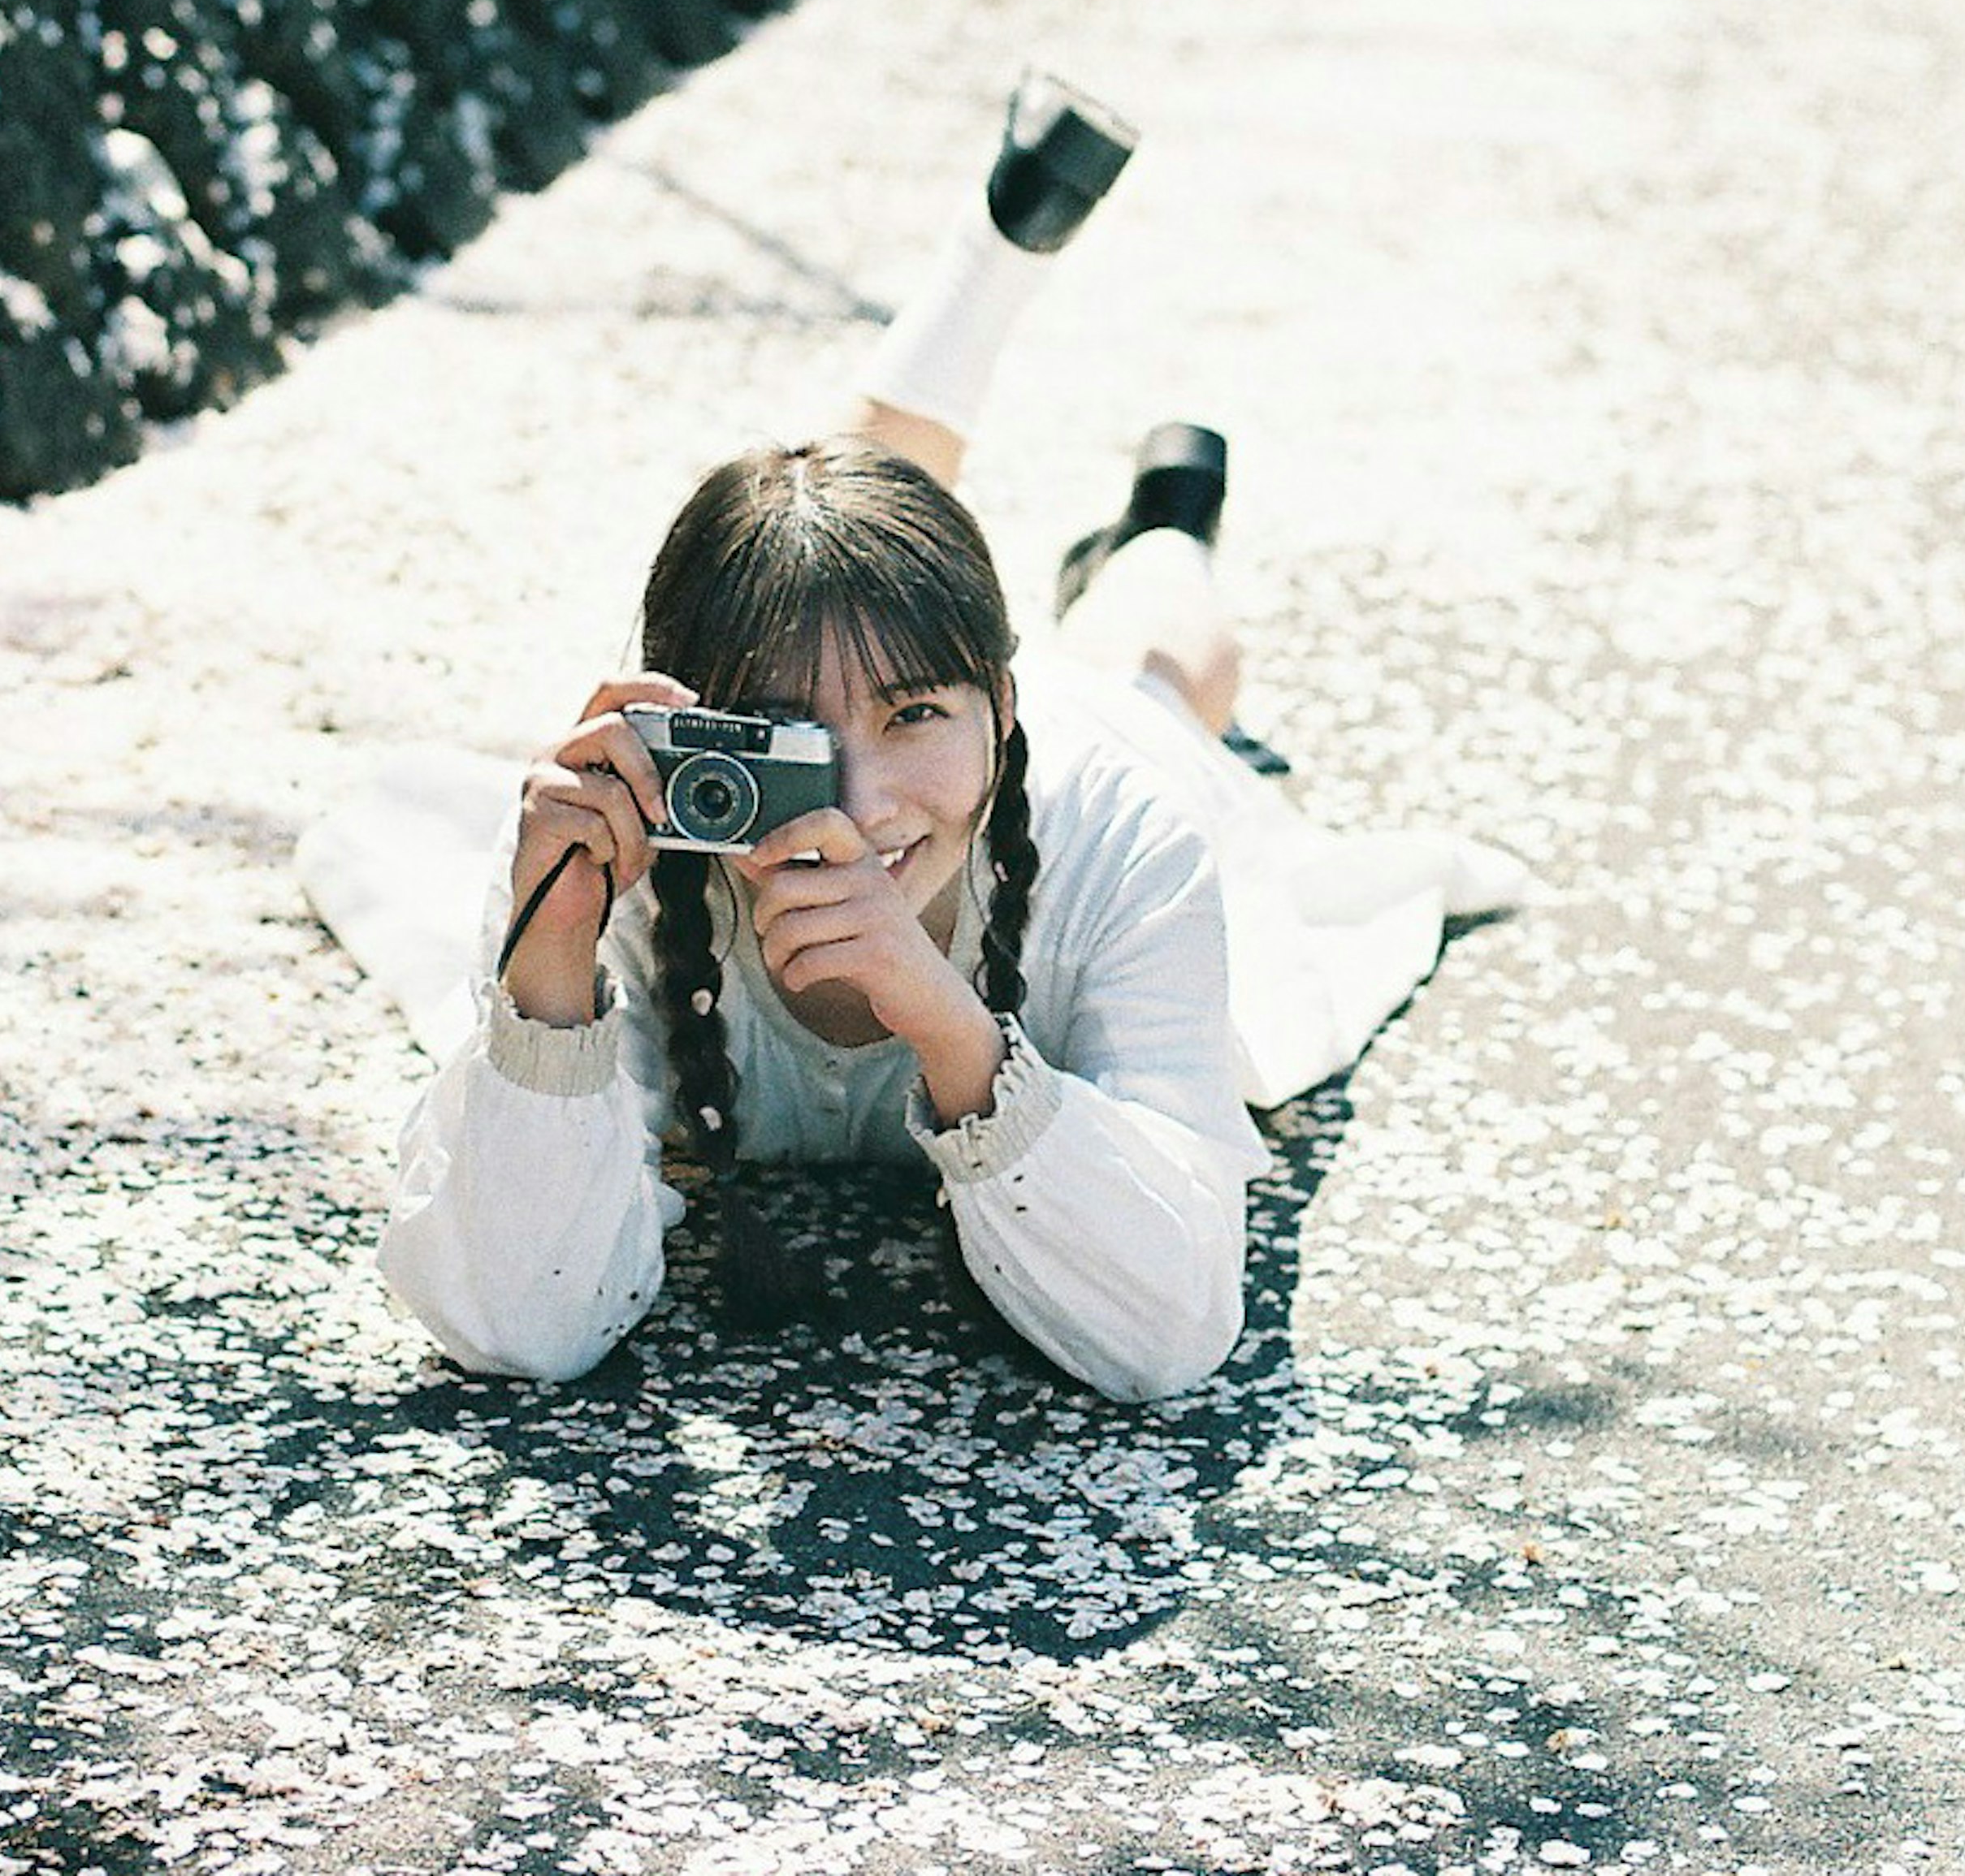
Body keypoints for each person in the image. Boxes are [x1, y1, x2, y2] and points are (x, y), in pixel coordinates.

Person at [328, 75, 1522, 1403]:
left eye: (914, 717)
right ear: (696, 719)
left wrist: (953, 1028)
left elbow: (1170, 1332)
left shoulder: (1115, 831)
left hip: (1078, 752)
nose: (856, 801)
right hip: (930, 704)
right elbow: (515, 1324)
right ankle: (1003, 304)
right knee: (818, 558)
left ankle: (1167, 521)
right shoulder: (623, 836)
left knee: (1168, 657)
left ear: (998, 712)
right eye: (775, 732)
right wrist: (546, 958)